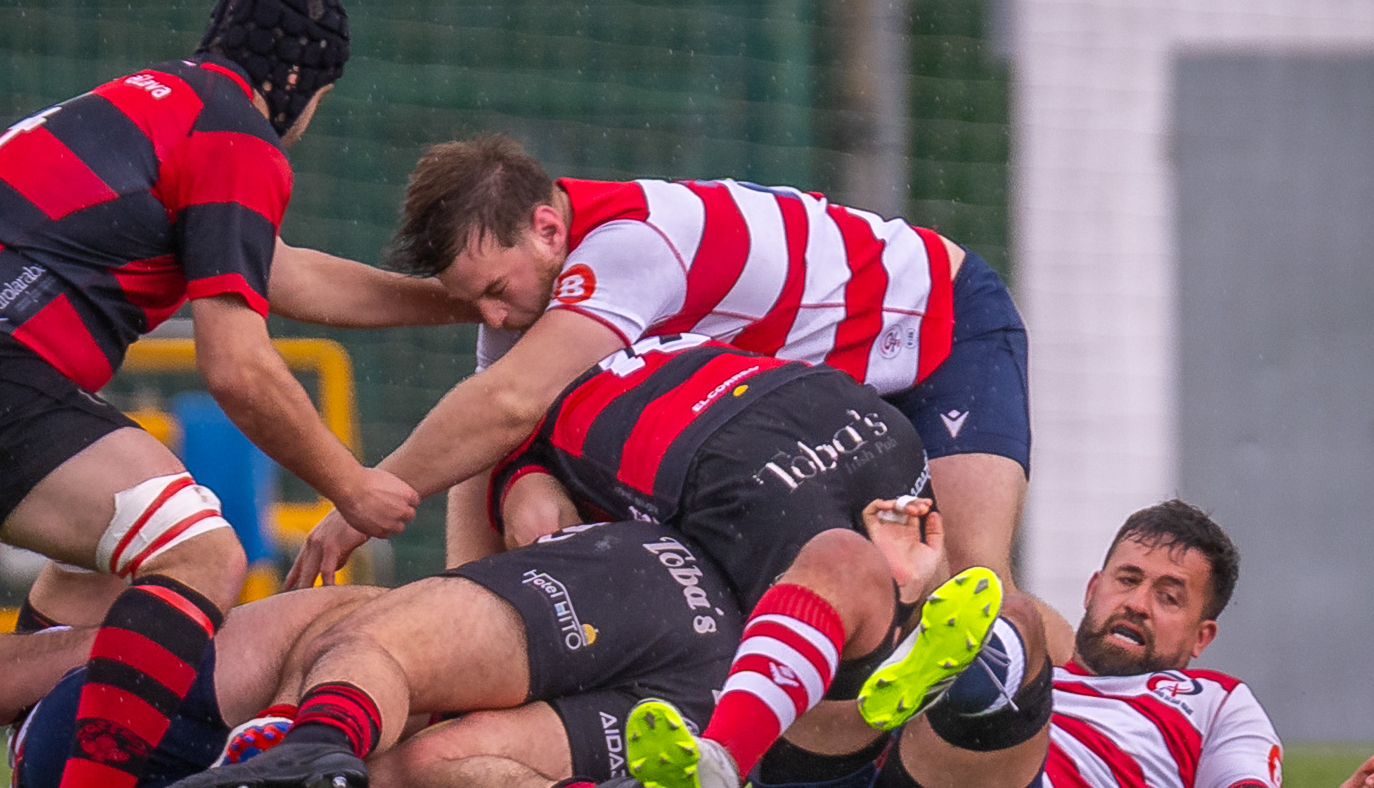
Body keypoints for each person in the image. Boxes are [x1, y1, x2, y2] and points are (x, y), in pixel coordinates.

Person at [0, 0, 469, 788]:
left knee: (109, 574)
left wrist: (456, 302)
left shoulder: (166, 104)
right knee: (201, 553)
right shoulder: (237, 134)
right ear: (305, 86)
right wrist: (352, 484)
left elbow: (283, 272)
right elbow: (238, 367)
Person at [291, 133, 1030, 590]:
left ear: (547, 228)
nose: (488, 317)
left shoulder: (630, 246)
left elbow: (507, 405)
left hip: (943, 325)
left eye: (492, 291)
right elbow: (485, 436)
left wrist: (362, 499)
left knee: (975, 584)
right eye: (471, 300)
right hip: (838, 387)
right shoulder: (539, 281)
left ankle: (1074, 730)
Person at [593, 499, 1374, 788]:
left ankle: (919, 652)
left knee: (1007, 615)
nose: (1137, 602)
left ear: (1202, 635)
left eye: (1169, 596)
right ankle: (722, 760)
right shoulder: (1048, 660)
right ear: (1093, 588)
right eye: (1127, 580)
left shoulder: (1219, 706)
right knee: (842, 554)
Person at [419, 332, 989, 788]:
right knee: (873, 578)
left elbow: (543, 539)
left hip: (738, 470)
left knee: (796, 618)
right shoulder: (637, 338)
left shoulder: (515, 437)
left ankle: (720, 761)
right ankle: (908, 608)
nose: (493, 311)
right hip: (855, 415)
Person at [0, 526, 726, 788]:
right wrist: (144, 644)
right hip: (104, 749)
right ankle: (295, 732)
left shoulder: (135, 546)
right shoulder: (116, 581)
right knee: (365, 619)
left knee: (384, 787)